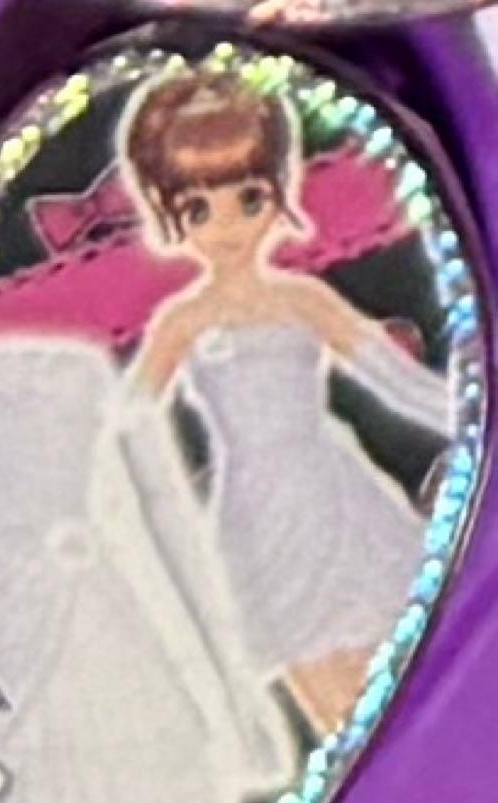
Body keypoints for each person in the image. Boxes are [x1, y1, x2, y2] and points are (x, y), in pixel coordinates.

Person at [122, 70, 451, 734]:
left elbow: (393, 380)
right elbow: (127, 420)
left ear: (277, 191)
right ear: (171, 214)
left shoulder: (303, 299)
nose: (226, 226)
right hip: (253, 513)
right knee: (325, 699)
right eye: (197, 209)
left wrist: (468, 415)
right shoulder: (184, 320)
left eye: (248, 198)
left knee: (391, 672)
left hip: (332, 493)